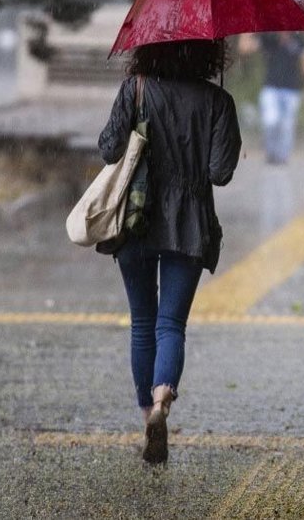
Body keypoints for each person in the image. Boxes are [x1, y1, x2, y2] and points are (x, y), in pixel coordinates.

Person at [97, 39, 242, 464]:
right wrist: (217, 115)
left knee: (143, 322)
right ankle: (163, 397)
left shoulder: (135, 88)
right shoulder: (218, 100)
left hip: (136, 217)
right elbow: (221, 172)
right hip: (189, 223)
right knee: (171, 324)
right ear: (207, 54)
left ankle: (147, 415)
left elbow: (108, 148)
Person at [237, 32, 304, 165]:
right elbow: (244, 49)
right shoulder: (268, 38)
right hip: (271, 88)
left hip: (291, 90)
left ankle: (283, 156)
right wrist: (247, 32)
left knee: (287, 126)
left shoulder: (298, 40)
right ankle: (271, 152)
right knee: (271, 121)